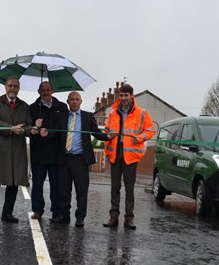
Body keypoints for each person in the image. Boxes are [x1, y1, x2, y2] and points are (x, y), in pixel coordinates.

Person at [0, 76, 38, 224]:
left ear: (18, 88)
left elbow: (27, 126)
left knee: (13, 183)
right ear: (5, 87)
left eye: (15, 86)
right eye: (10, 86)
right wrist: (11, 129)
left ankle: (7, 214)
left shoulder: (24, 106)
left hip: (16, 150)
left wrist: (33, 130)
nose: (12, 88)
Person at [52, 91, 112, 227]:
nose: (74, 101)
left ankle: (80, 217)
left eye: (77, 99)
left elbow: (96, 133)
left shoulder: (87, 116)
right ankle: (64, 216)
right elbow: (55, 133)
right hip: (64, 159)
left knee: (81, 190)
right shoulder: (61, 117)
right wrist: (44, 132)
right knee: (64, 190)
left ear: (81, 102)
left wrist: (107, 137)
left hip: (80, 160)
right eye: (72, 99)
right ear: (67, 102)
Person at [103, 84, 156, 229]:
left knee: (129, 187)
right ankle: (113, 218)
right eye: (121, 95)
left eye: (126, 95)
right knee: (115, 187)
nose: (123, 98)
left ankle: (129, 219)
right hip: (115, 152)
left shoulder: (142, 113)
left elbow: (151, 131)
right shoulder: (113, 112)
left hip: (131, 154)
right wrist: (108, 136)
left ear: (132, 96)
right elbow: (107, 131)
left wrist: (139, 138)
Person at [29, 81, 68, 221]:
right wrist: (35, 127)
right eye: (43, 90)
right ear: (39, 91)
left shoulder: (62, 107)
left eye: (48, 90)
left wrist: (49, 133)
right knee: (37, 185)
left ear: (52, 91)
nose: (46, 93)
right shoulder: (32, 108)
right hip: (38, 153)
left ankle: (56, 211)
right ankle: (37, 210)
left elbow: (63, 128)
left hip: (56, 154)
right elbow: (28, 129)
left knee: (56, 186)